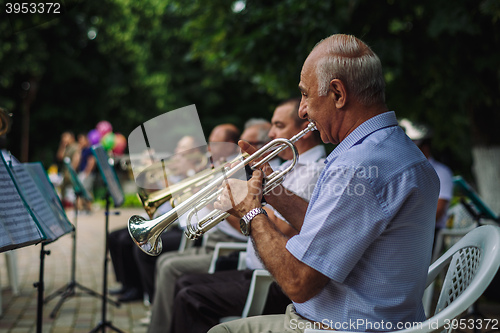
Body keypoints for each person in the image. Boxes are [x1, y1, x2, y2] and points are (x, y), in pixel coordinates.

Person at [210, 34, 440, 333]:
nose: (303, 110)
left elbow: (298, 282)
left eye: (306, 95)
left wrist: (251, 211)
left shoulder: (357, 167)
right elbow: (333, 228)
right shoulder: (398, 149)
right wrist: (270, 189)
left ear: (338, 93)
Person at [169, 98, 326, 333]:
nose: (272, 133)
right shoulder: (287, 167)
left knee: (189, 295)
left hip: (270, 278)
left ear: (304, 130)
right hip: (256, 266)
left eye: (279, 126)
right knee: (184, 285)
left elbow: (280, 229)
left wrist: (239, 206)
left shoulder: (313, 172)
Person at [145, 123, 248, 331]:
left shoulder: (238, 171)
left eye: (215, 141)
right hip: (208, 237)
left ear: (229, 145)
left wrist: (213, 196)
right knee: (165, 261)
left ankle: (160, 327)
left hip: (225, 243)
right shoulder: (216, 166)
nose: (209, 146)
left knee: (168, 265)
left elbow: (238, 220)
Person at [108, 135, 206, 303]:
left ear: (194, 152)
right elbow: (155, 195)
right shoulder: (178, 169)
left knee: (139, 245)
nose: (176, 152)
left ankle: (150, 297)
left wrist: (161, 174)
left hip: (185, 226)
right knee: (117, 236)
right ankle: (131, 286)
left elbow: (177, 197)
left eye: (181, 149)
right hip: (169, 220)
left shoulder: (197, 170)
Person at [399, 119, 454, 239]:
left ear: (425, 146)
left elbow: (438, 212)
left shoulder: (442, 172)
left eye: (413, 144)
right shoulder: (403, 170)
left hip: (429, 232)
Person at [73, 133, 97, 213]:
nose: (80, 142)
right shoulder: (82, 150)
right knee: (83, 191)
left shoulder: (89, 150)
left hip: (87, 173)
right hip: (82, 172)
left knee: (86, 190)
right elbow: (77, 161)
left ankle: (88, 208)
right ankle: (83, 208)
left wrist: (87, 172)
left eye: (81, 140)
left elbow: (92, 161)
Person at [56, 131, 80, 206]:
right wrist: (62, 146)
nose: (64, 140)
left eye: (66, 137)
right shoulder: (66, 147)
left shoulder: (76, 146)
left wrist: (72, 171)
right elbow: (59, 157)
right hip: (65, 172)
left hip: (72, 172)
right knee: (62, 189)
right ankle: (63, 204)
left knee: (76, 190)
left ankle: (79, 205)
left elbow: (76, 159)